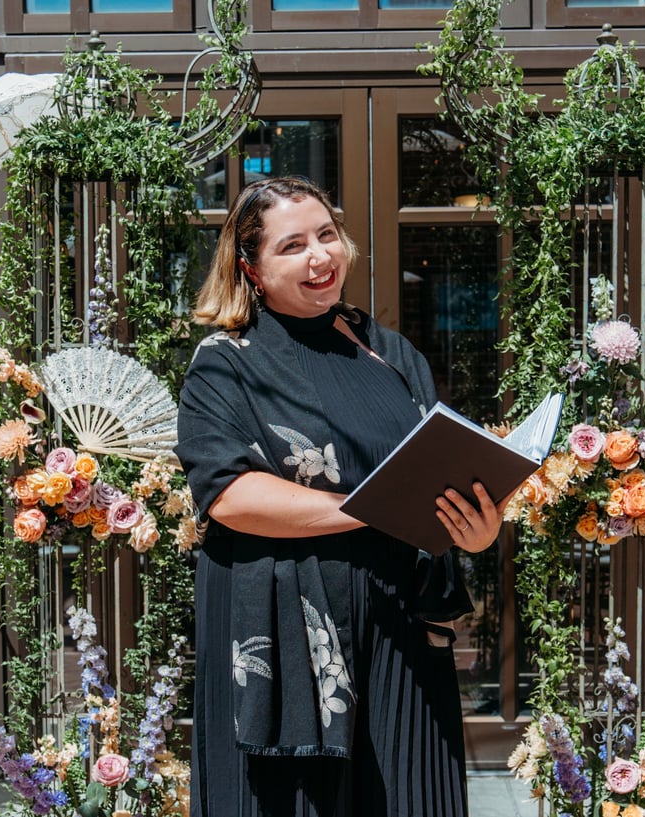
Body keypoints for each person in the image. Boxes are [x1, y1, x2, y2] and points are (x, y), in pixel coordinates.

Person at [175, 176, 508, 817]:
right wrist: (372, 509)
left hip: (402, 632)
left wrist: (476, 528)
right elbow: (229, 494)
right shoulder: (227, 362)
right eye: (292, 245)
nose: (320, 257)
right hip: (288, 641)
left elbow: (440, 472)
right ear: (251, 268)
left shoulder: (391, 353)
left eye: (327, 235)